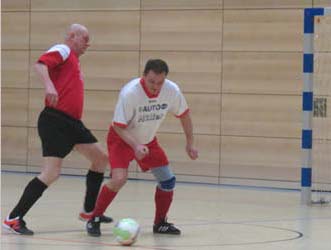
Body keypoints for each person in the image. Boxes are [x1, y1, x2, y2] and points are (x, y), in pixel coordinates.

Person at [2, 24, 113, 235]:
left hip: (71, 123)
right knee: (51, 173)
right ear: (72, 36)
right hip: (55, 120)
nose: (88, 44)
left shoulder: (74, 61)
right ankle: (14, 218)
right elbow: (40, 65)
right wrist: (49, 85)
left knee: (100, 159)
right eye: (85, 38)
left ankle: (88, 211)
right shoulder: (63, 50)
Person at [86, 59, 198, 237]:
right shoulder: (130, 93)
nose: (155, 86)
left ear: (165, 79)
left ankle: (160, 223)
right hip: (121, 138)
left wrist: (190, 143)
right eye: (151, 81)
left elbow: (184, 115)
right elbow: (118, 126)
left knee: (167, 181)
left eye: (160, 82)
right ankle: (95, 218)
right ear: (144, 76)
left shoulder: (172, 91)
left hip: (147, 140)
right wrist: (135, 145)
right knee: (119, 179)